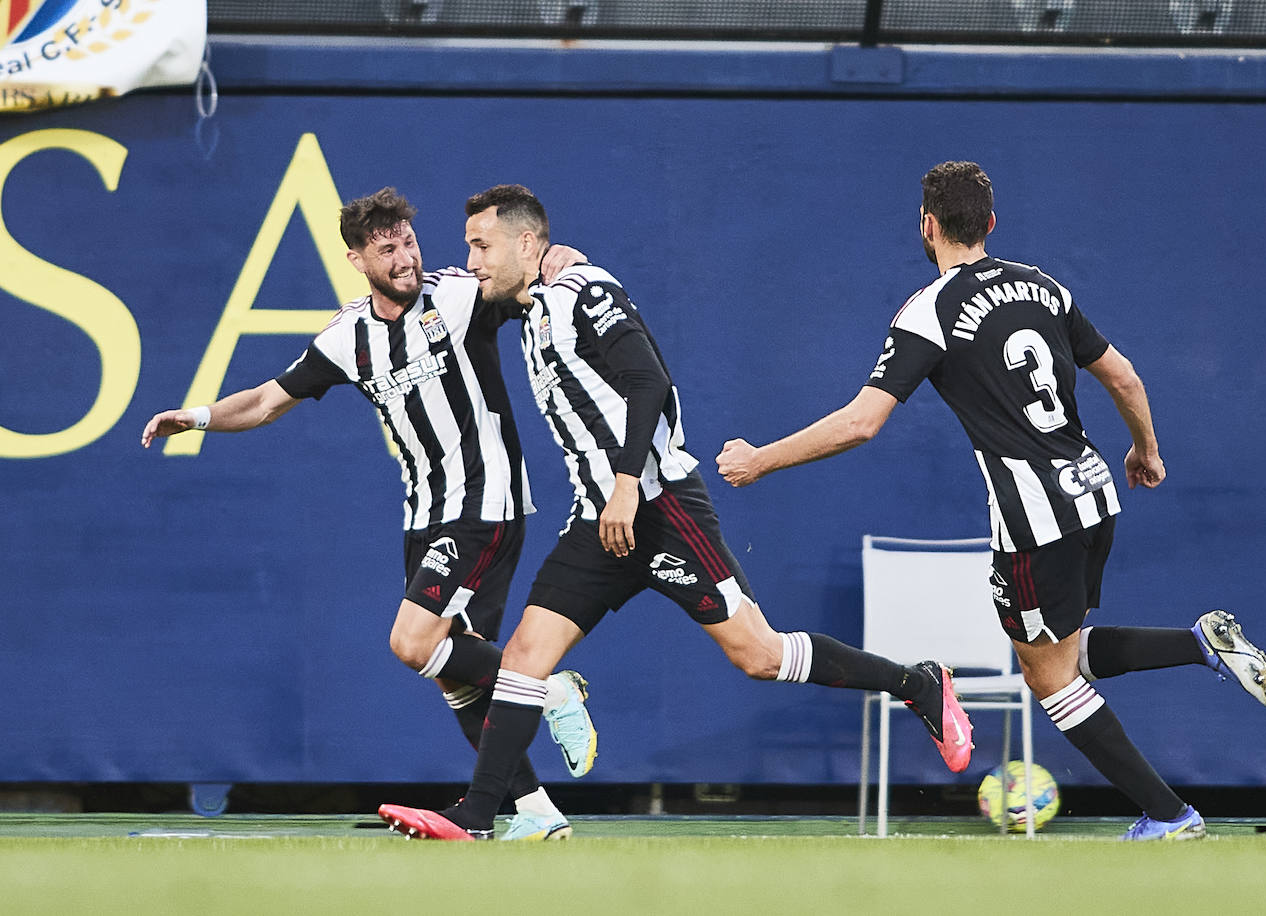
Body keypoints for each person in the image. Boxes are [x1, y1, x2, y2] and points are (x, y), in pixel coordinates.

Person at [378, 183, 974, 842]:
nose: (472, 259)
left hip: (658, 507)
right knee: (523, 657)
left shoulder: (583, 291)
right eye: (468, 247)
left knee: (760, 655)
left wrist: (628, 483)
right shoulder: (534, 301)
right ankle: (480, 816)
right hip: (598, 524)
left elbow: (649, 381)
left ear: (526, 242)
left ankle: (918, 684)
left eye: (482, 245)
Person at [716, 161, 1266, 841]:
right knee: (1060, 652)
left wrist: (760, 459)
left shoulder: (931, 308)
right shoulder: (1044, 286)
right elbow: (1125, 377)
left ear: (927, 226)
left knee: (1051, 681)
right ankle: (1200, 645)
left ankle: (1170, 814)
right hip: (1094, 494)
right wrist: (1147, 452)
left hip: (1033, 516)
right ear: (989, 223)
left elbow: (862, 422)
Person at [140, 187, 599, 842]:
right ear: (356, 259)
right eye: (388, 250)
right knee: (454, 671)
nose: (406, 258)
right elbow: (270, 400)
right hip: (425, 514)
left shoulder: (461, 295)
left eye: (409, 241)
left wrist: (561, 259)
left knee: (412, 643)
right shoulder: (349, 335)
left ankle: (549, 689)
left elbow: (535, 268)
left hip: (484, 502)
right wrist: (200, 418)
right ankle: (535, 810)